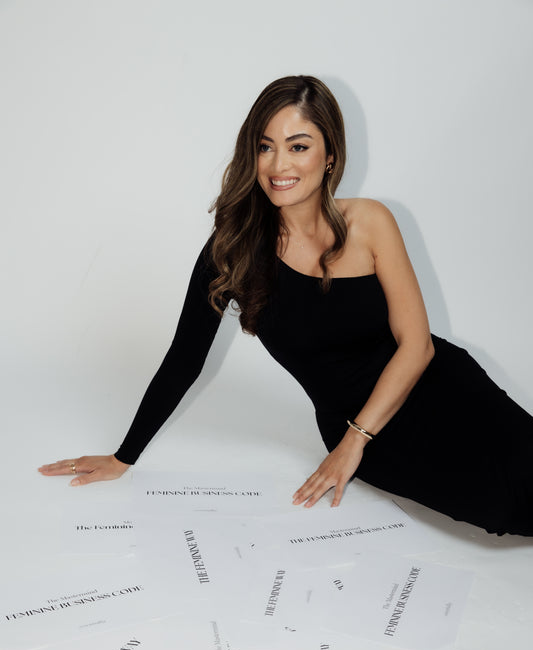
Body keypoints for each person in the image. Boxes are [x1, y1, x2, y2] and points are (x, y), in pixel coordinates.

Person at [39, 75, 533, 536]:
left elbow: (418, 346)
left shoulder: (370, 222)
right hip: (371, 435)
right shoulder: (232, 252)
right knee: (505, 511)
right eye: (265, 147)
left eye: (298, 147)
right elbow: (185, 358)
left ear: (330, 156)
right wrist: (123, 457)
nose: (279, 166)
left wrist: (353, 442)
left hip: (436, 389)